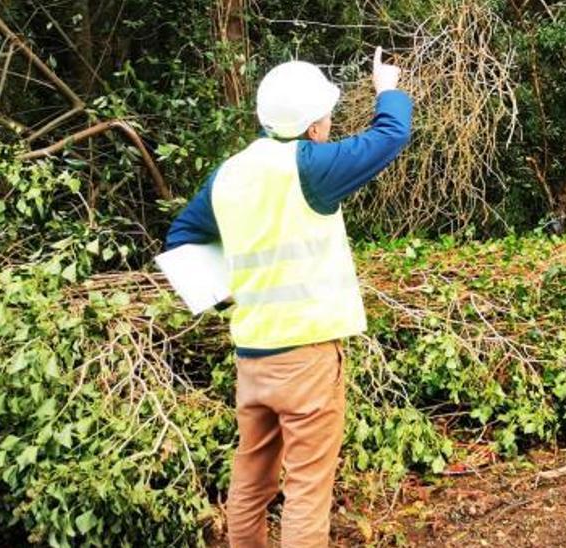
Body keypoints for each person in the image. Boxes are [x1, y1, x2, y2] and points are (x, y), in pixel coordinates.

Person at [164, 48, 411, 547]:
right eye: (326, 115)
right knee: (306, 490)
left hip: (253, 358)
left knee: (251, 481)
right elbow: (391, 135)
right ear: (313, 123)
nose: (329, 123)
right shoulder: (311, 167)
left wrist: (222, 298)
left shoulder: (230, 173)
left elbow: (180, 240)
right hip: (308, 361)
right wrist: (387, 87)